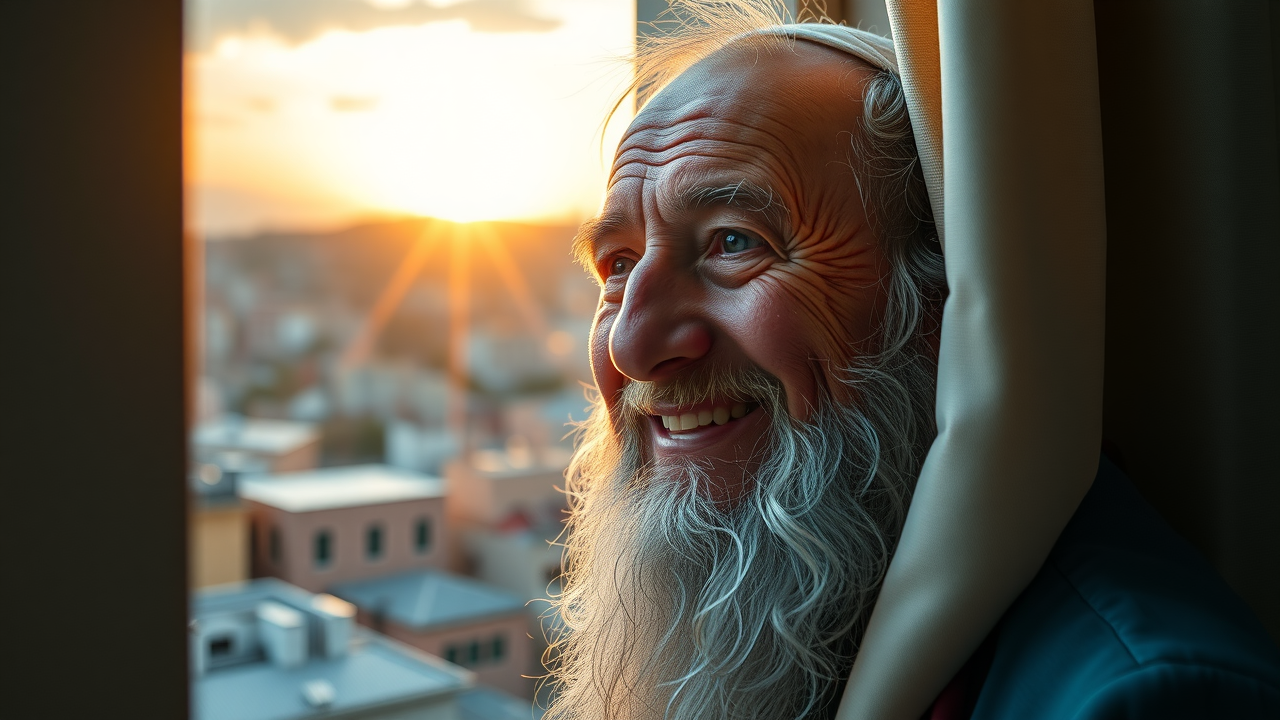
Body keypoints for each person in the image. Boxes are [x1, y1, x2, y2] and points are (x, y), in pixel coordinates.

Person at [541, 5, 1280, 720]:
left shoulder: (1147, 698)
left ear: (942, 298)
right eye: (620, 263)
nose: (630, 346)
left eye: (736, 241)